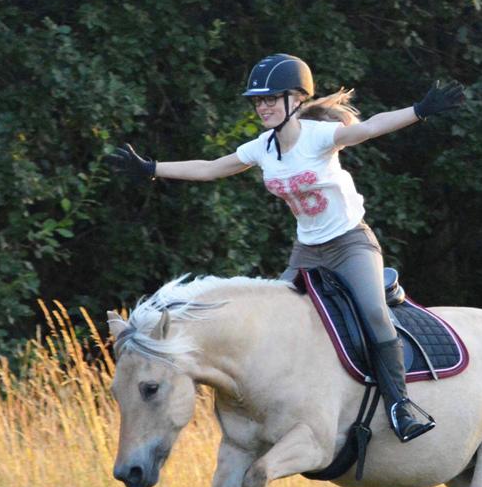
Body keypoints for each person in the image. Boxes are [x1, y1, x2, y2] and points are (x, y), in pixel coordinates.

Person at [107, 53, 463, 442]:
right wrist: (152, 169)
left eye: (271, 99)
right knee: (274, 319)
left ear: (296, 99)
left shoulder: (319, 137)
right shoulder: (262, 148)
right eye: (258, 101)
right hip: (307, 250)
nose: (263, 107)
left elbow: (372, 128)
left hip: (349, 243)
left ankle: (400, 404)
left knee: (375, 313)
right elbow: (211, 168)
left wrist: (420, 110)